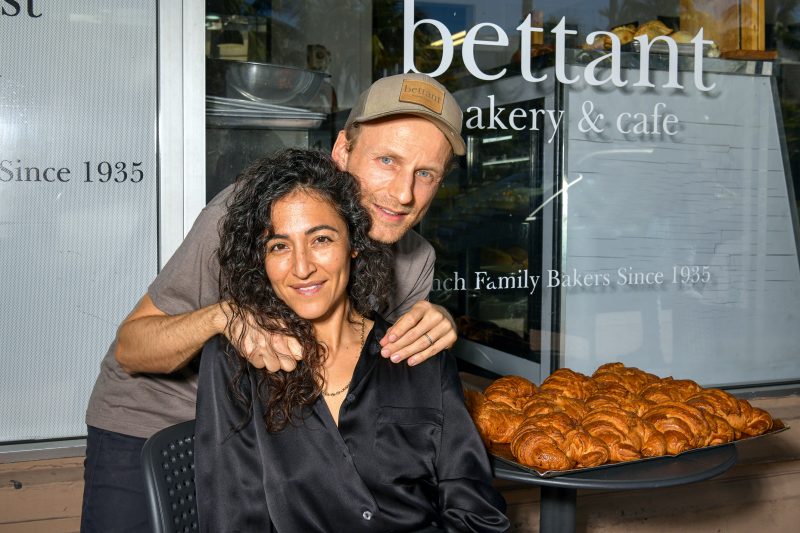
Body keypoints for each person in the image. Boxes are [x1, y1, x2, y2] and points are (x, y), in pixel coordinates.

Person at [81, 72, 466, 532]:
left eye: (426, 174)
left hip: (280, 443)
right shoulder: (252, 215)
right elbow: (133, 347)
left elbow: (382, 389)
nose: (404, 193)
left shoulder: (415, 259)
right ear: (342, 152)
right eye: (387, 160)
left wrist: (435, 328)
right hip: (154, 422)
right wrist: (222, 316)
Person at [195, 148, 509, 532]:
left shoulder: (418, 354)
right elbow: (232, 517)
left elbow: (476, 514)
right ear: (261, 260)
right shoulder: (236, 360)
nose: (302, 267)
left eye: (321, 239)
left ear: (353, 243)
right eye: (279, 246)